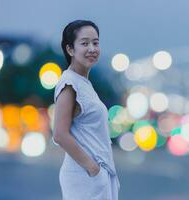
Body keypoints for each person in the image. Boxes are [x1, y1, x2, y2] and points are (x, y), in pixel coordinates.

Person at [53, 20, 120, 200]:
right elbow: (59, 134)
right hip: (84, 175)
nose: (92, 48)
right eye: (84, 43)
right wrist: (93, 169)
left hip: (92, 175)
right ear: (70, 50)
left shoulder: (84, 84)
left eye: (95, 43)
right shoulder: (69, 83)